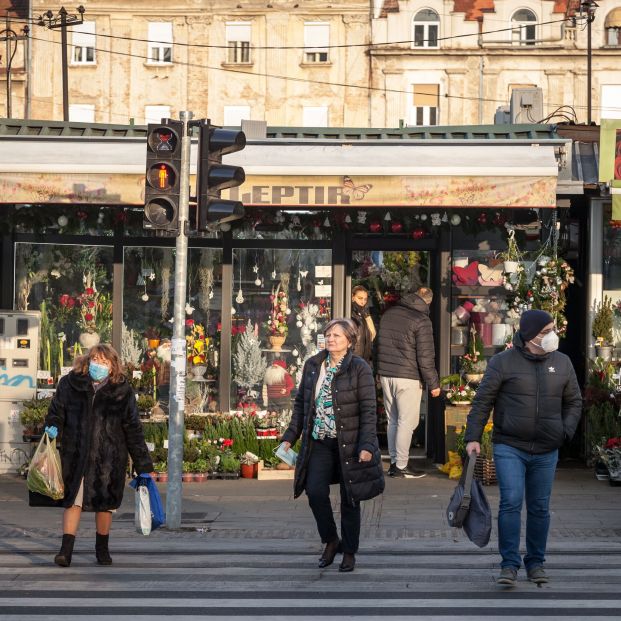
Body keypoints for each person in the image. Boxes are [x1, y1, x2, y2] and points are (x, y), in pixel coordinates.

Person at [464, 310, 582, 586]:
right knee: (511, 502)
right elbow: (483, 401)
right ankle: (509, 564)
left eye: (554, 330)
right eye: (546, 332)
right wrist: (473, 437)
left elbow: (574, 401)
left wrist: (564, 432)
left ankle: (536, 563)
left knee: (540, 507)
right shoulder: (502, 362)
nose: (553, 336)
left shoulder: (563, 363)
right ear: (530, 336)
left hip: (546, 448)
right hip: (510, 446)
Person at [281, 318, 384, 573]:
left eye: (337, 336)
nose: (330, 339)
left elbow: (369, 411)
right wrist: (288, 438)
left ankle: (349, 551)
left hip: (349, 443)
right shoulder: (313, 365)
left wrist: (367, 445)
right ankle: (331, 540)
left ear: (349, 341)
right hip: (319, 442)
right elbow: (302, 406)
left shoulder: (359, 368)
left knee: (350, 498)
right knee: (314, 492)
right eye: (328, 335)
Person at [44, 343, 153, 568]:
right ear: (87, 360)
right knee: (73, 501)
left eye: (104, 362)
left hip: (108, 458)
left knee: (105, 504)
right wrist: (52, 426)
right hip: (76, 454)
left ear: (113, 367)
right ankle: (66, 550)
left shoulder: (122, 391)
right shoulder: (70, 384)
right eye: (95, 360)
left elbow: (132, 427)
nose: (99, 365)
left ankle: (102, 548)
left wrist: (143, 464)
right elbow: (56, 411)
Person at [377, 286, 441, 478]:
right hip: (408, 377)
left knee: (393, 420)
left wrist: (378, 371)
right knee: (407, 422)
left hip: (387, 374)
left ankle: (395, 462)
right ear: (428, 301)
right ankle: (401, 466)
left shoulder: (389, 314)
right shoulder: (422, 320)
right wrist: (434, 384)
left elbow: (377, 345)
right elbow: (425, 357)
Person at [350, 285, 376, 364]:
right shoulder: (350, 313)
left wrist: (367, 316)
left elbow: (373, 334)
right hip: (353, 359)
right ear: (353, 297)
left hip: (364, 359)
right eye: (360, 298)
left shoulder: (364, 314)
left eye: (365, 299)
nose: (363, 302)